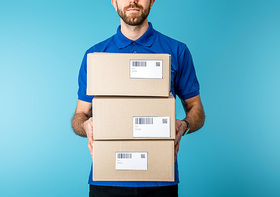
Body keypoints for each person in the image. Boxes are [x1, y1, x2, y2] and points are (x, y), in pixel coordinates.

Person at [72, 0, 205, 196]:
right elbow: (80, 115)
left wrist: (183, 126)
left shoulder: (177, 51)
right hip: (108, 179)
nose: (133, 0)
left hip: (160, 180)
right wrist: (86, 126)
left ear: (151, 2)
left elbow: (197, 110)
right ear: (114, 1)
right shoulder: (96, 56)